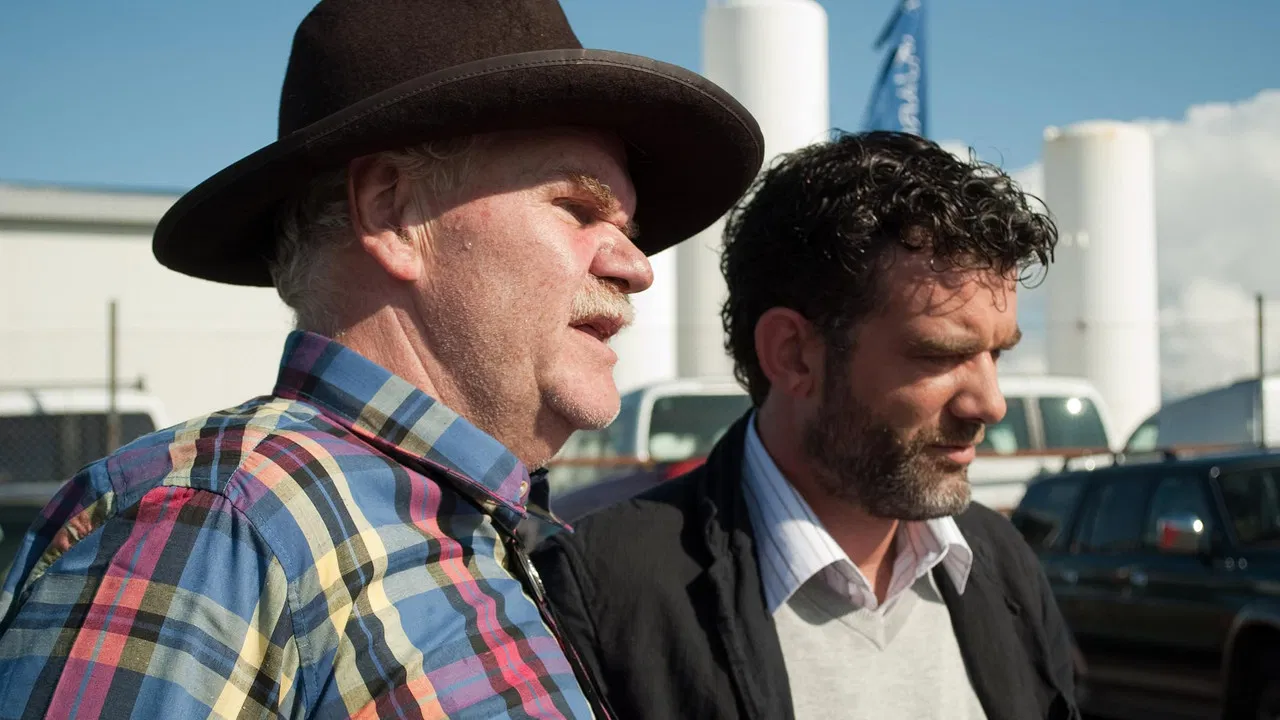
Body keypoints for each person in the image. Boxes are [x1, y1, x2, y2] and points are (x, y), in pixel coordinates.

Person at [0, 0, 763, 717]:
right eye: (578, 208)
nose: (635, 267)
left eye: (627, 229)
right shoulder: (212, 526)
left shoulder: (482, 527)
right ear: (393, 210)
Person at [532, 131, 1081, 720]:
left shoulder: (999, 560)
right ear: (793, 354)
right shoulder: (606, 591)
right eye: (940, 355)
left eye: (996, 354)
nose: (990, 404)